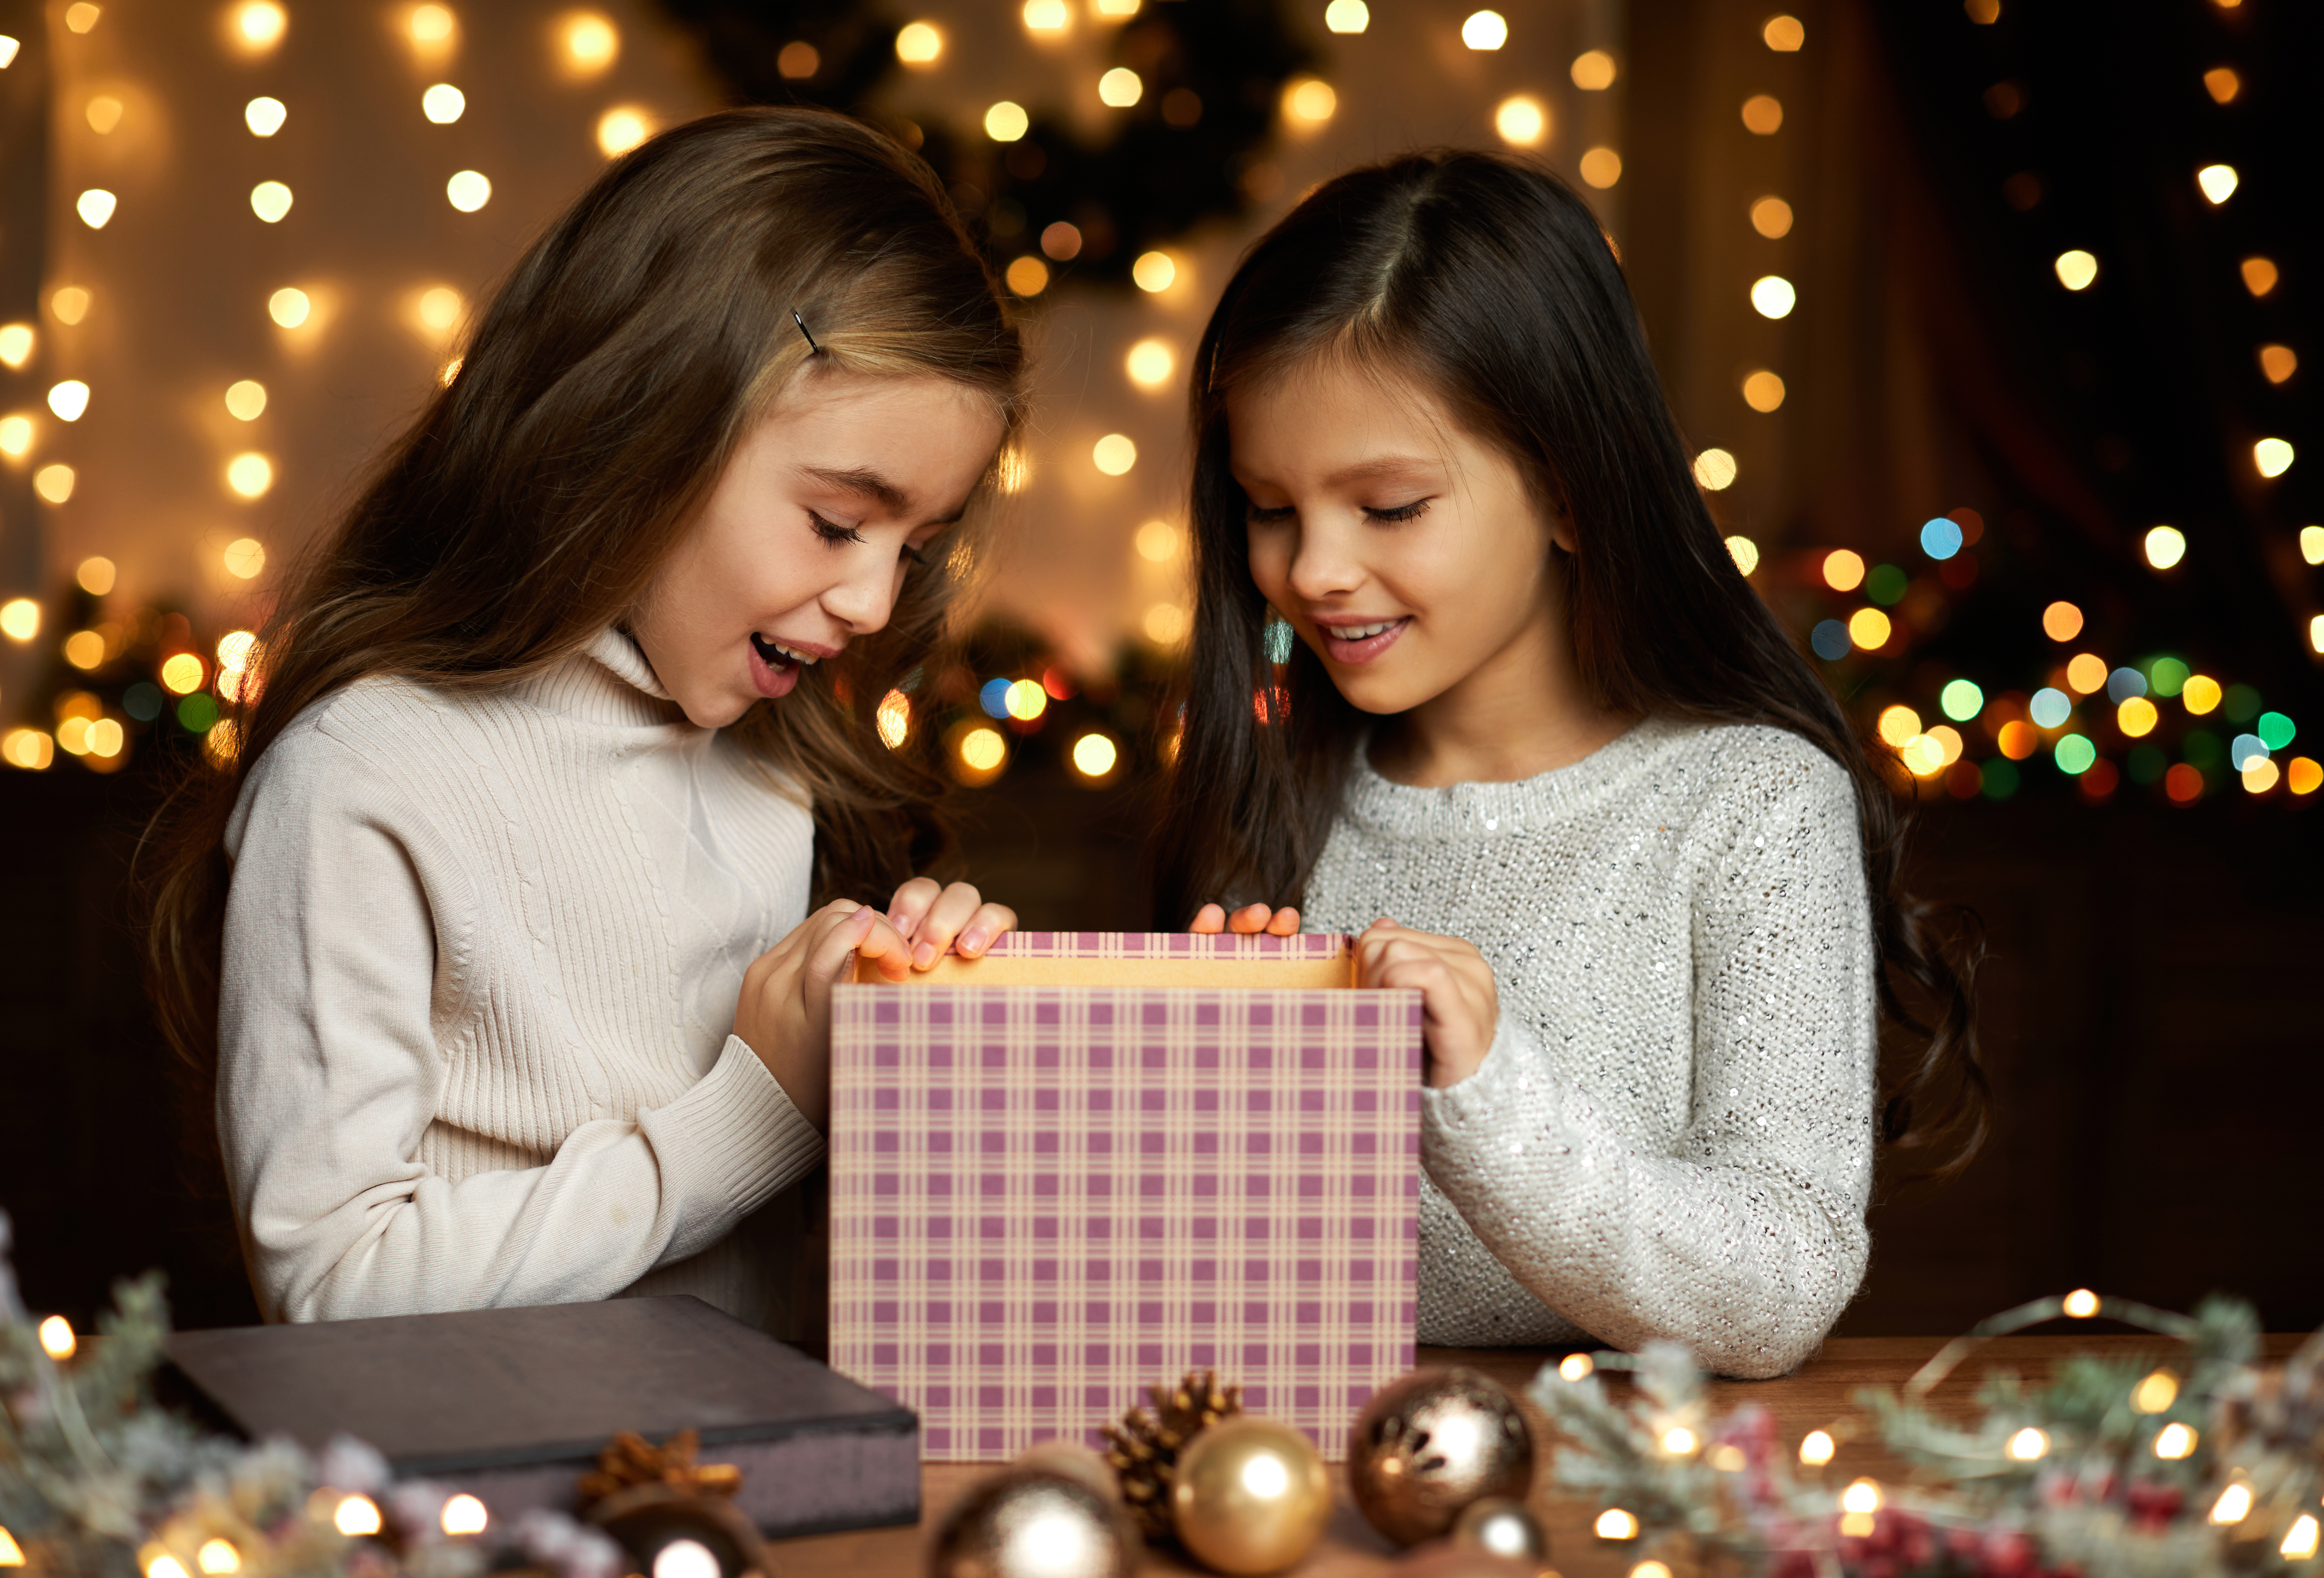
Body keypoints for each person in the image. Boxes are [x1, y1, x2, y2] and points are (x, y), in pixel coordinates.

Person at [142, 108, 1023, 1335]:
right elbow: (332, 1289)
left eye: (914, 547)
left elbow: (812, 1270)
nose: (876, 601)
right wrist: (759, 1105)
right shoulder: (368, 776)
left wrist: (932, 1047)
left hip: (784, 1490)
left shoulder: (785, 777)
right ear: (644, 424)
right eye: (836, 523)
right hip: (506, 1510)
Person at [1155, 150, 1986, 1378]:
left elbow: (1778, 1287)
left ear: (1569, 490)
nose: (1314, 569)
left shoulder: (1751, 806)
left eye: (1387, 507)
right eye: (1269, 508)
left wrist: (1489, 1094)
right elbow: (1217, 1281)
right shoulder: (1278, 799)